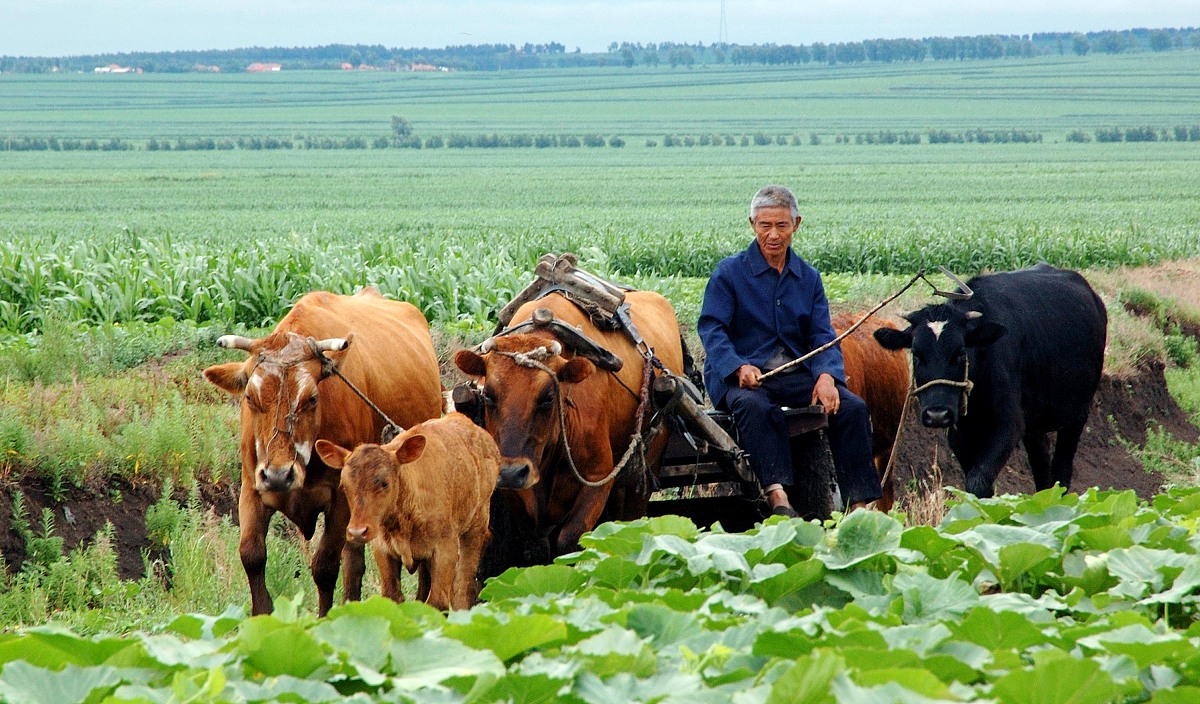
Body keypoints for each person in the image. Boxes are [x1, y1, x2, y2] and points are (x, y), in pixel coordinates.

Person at [698, 185, 882, 516]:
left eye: (781, 226)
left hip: (794, 374)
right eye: (765, 225)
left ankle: (860, 505)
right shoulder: (729, 274)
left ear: (796, 224)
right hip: (742, 378)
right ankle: (777, 497)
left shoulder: (808, 278)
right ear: (752, 223)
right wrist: (738, 366)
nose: (773, 234)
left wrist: (826, 375)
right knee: (755, 408)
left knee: (851, 407)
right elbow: (712, 328)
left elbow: (822, 334)